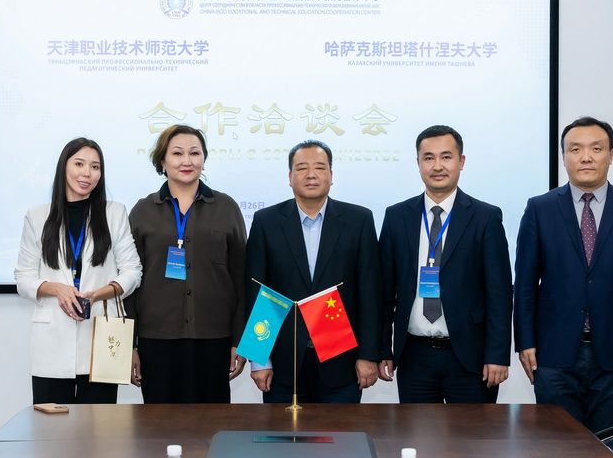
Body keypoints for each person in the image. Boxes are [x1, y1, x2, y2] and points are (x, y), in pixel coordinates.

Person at [514, 116, 613, 438]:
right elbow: (524, 284)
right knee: (557, 450)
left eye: (596, 149)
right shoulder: (539, 209)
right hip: (554, 354)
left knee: (612, 452)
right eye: (576, 149)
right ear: (564, 156)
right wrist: (525, 341)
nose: (586, 157)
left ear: (611, 154)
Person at [378, 125, 512, 403]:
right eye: (428, 158)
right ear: (418, 163)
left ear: (461, 162)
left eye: (446, 157)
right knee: (416, 431)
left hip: (470, 358)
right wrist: (382, 349)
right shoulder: (397, 216)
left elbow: (499, 294)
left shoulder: (486, 217)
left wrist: (497, 355)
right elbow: (384, 292)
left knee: (472, 432)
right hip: (414, 356)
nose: (437, 166)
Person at [245, 140, 382, 403]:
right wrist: (259, 359)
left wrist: (368, 355)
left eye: (320, 167)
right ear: (290, 177)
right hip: (283, 360)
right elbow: (258, 291)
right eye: (301, 168)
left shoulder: (359, 220)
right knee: (283, 430)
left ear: (331, 175)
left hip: (342, 359)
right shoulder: (266, 221)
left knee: (341, 430)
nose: (311, 175)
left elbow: (370, 292)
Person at [15, 137, 142, 404]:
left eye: (95, 167)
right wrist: (56, 289)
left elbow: (133, 270)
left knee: (100, 427)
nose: (87, 173)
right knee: (51, 426)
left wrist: (99, 294)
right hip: (51, 342)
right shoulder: (37, 216)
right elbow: (23, 278)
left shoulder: (114, 213)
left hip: (102, 341)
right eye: (79, 164)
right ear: (64, 167)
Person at [126, 125, 247, 403]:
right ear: (162, 161)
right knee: (159, 422)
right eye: (177, 153)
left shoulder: (226, 208)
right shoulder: (143, 211)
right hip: (156, 339)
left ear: (204, 159)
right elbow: (130, 283)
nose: (187, 161)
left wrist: (239, 340)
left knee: (212, 422)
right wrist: (129, 345)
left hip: (215, 337)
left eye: (195, 153)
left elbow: (241, 277)